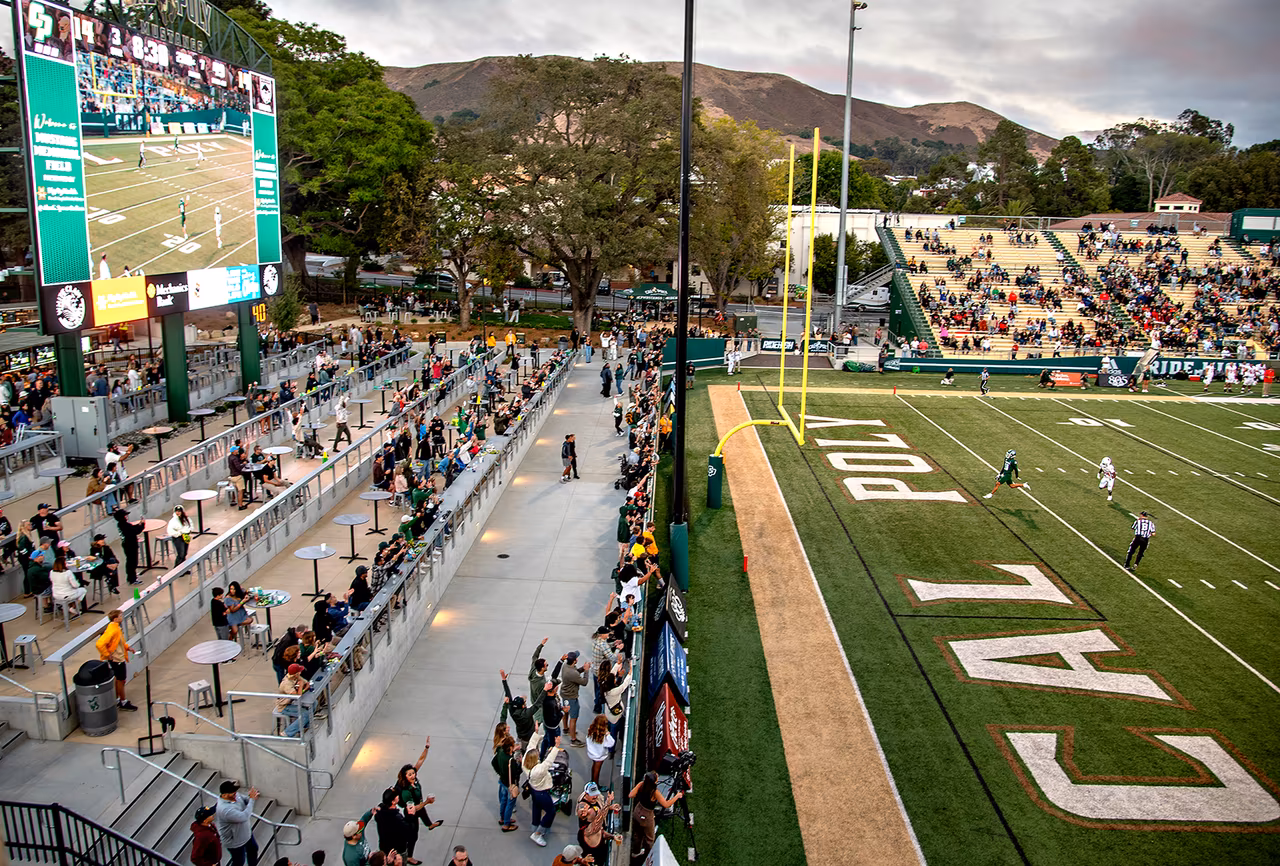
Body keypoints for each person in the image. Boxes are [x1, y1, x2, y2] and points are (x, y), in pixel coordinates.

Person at [396, 741, 443, 862]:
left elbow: (420, 760)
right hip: (411, 814)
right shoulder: (406, 791)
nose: (413, 775)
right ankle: (409, 857)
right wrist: (427, 802)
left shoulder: (414, 780)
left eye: (413, 773)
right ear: (405, 777)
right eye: (410, 775)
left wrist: (426, 748)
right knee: (413, 836)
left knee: (423, 812)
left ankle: (430, 825)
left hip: (419, 805)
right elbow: (414, 809)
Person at [521, 726, 563, 847]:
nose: (539, 753)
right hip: (542, 792)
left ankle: (535, 825)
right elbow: (548, 762)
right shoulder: (538, 770)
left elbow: (531, 745)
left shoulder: (526, 762)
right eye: (538, 754)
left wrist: (535, 732)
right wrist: (556, 747)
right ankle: (538, 832)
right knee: (551, 811)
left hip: (534, 790)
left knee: (537, 807)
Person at [629, 771, 682, 861]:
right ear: (654, 782)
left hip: (637, 811)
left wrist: (639, 788)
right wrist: (677, 796)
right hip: (647, 816)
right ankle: (648, 857)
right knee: (650, 839)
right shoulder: (655, 792)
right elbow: (666, 804)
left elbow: (631, 795)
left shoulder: (641, 784)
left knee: (637, 835)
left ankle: (635, 852)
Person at [215, 780, 260, 866]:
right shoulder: (225, 809)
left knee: (253, 850)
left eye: (235, 791)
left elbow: (245, 799)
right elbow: (244, 816)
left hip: (246, 834)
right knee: (239, 862)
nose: (235, 794)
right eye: (232, 792)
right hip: (235, 842)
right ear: (224, 795)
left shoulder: (235, 795)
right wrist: (252, 800)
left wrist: (251, 797)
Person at [575, 782, 620, 865]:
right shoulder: (585, 807)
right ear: (586, 794)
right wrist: (582, 814)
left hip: (599, 845)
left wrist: (609, 807)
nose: (595, 796)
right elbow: (581, 812)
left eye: (596, 794)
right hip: (590, 846)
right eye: (592, 794)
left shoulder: (596, 800)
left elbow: (600, 814)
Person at [492, 733, 520, 832]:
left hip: (502, 781)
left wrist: (500, 772)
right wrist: (519, 764)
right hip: (510, 785)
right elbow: (516, 773)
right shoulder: (511, 760)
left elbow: (493, 762)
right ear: (510, 747)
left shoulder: (500, 753)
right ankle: (506, 824)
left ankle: (502, 818)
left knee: (503, 800)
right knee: (510, 803)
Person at [113, 508, 144, 585]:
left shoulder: (122, 525)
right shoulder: (124, 525)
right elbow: (135, 531)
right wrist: (142, 524)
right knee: (132, 562)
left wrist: (139, 524)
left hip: (127, 545)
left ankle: (131, 576)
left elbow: (132, 528)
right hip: (130, 546)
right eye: (125, 515)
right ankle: (132, 579)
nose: (127, 516)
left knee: (131, 562)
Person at [277, 664, 310, 737]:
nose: (301, 672)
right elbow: (298, 696)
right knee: (305, 714)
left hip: (291, 702)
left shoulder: (296, 677)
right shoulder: (287, 684)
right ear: (296, 673)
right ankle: (287, 732)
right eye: (299, 671)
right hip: (284, 706)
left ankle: (306, 725)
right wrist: (301, 686)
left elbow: (307, 683)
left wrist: (303, 688)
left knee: (314, 703)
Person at [585, 714, 614, 785]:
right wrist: (607, 734)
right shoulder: (603, 735)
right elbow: (611, 743)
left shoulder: (591, 730)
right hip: (599, 755)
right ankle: (595, 785)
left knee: (594, 767)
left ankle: (593, 781)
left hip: (592, 753)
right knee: (597, 770)